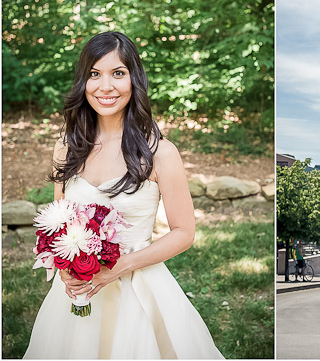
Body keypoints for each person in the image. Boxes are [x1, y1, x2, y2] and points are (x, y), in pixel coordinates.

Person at [24, 32, 222, 358]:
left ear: (134, 80)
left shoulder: (160, 153)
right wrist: (63, 265)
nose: (106, 86)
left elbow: (184, 233)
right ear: (83, 82)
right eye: (94, 74)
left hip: (139, 288)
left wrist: (119, 267)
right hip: (78, 289)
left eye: (118, 73)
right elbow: (58, 224)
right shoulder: (66, 148)